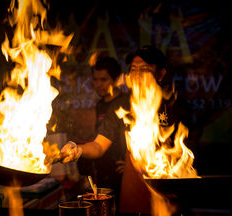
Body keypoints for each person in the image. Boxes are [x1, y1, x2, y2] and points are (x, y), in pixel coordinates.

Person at [61, 46, 189, 202]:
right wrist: (77, 150)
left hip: (167, 184)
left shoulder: (174, 105)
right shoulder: (119, 106)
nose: (137, 74)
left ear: (161, 74)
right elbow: (99, 146)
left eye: (145, 69)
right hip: (132, 182)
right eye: (133, 69)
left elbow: (186, 152)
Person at [89, 56, 125, 193]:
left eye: (103, 80)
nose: (98, 84)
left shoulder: (126, 104)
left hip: (121, 174)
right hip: (102, 170)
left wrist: (133, 166)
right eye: (95, 80)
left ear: (116, 79)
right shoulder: (100, 105)